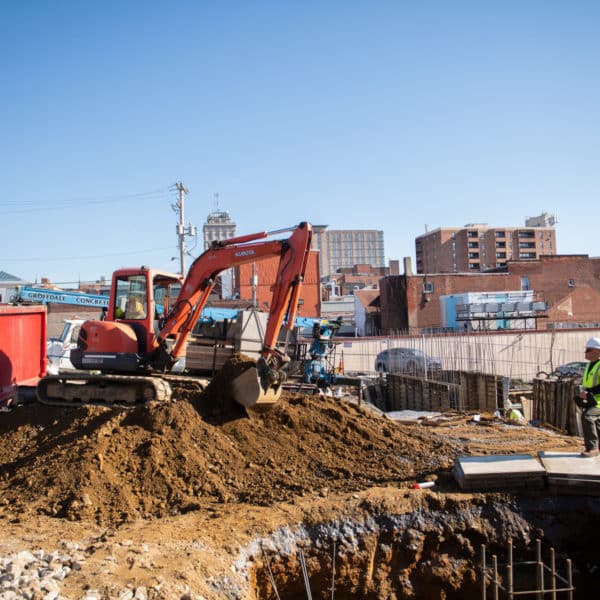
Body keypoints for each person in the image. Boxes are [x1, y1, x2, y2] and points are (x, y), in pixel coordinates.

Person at [575, 337, 600, 457]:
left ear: (596, 351)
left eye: (588, 350)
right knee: (597, 423)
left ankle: (592, 448)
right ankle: (597, 447)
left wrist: (589, 391)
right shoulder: (590, 366)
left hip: (598, 402)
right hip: (592, 400)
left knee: (587, 417)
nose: (585, 352)